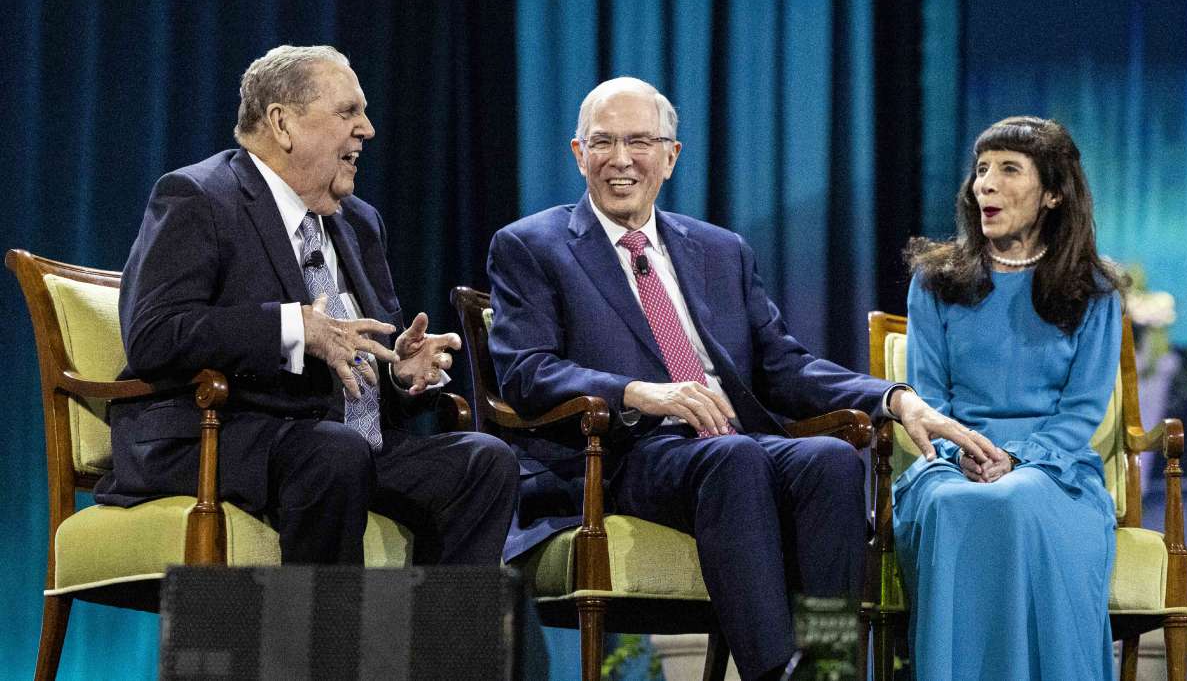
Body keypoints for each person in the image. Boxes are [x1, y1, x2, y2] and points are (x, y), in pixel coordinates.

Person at [485, 76, 994, 681]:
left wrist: (893, 397)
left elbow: (786, 367)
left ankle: (828, 667)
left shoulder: (719, 250)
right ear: (578, 153)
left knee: (830, 459)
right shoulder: (532, 246)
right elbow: (527, 370)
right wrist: (639, 393)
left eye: (640, 142)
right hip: (618, 456)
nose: (621, 159)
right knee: (736, 458)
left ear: (670, 156)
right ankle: (773, 672)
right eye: (603, 142)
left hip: (728, 446)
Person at [96, 45, 518, 566]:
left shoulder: (360, 222)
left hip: (338, 442)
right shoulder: (199, 197)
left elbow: (358, 356)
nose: (367, 129)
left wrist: (400, 373)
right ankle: (317, 624)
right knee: (334, 453)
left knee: (485, 461)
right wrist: (293, 328)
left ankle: (434, 624)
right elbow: (154, 334)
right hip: (221, 434)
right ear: (282, 124)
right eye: (347, 112)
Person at [895, 116, 1126, 679]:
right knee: (950, 503)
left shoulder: (1094, 290)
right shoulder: (935, 281)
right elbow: (929, 398)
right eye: (981, 170)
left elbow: (1080, 412)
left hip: (1053, 467)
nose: (986, 184)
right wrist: (965, 453)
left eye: (1008, 169)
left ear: (1052, 193)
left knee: (1018, 497)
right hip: (951, 461)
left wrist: (1016, 458)